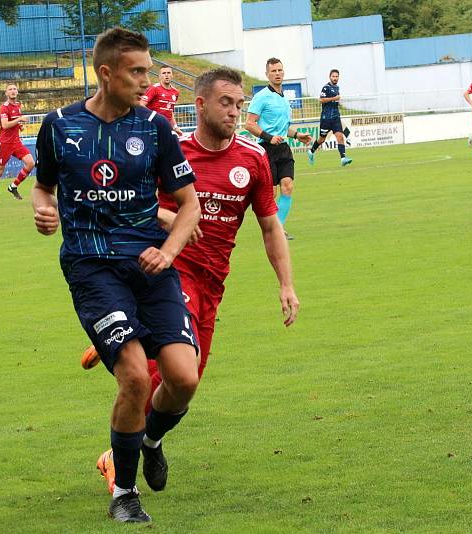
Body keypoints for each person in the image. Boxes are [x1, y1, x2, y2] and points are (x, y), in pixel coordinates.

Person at [84, 67, 300, 493]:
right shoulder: (171, 150)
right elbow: (120, 202)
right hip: (169, 272)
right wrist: (164, 216)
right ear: (200, 104)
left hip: (213, 283)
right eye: (226, 103)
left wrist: (286, 284)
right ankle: (116, 455)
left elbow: (271, 227)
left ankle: (149, 438)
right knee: (155, 371)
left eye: (239, 104)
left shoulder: (252, 159)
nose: (235, 112)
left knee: (186, 384)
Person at [31, 27, 201, 523]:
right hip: (91, 265)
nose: (146, 81)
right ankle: (123, 492)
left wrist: (168, 252)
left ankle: (149, 440)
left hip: (151, 263)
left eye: (148, 70)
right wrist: (43, 212)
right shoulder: (59, 126)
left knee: (184, 378)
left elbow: (189, 206)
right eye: (137, 72)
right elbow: (43, 189)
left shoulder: (154, 128)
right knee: (132, 376)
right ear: (105, 73)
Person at [244, 58, 312, 240]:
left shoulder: (284, 99)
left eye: (280, 70)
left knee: (288, 186)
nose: (277, 73)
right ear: (267, 74)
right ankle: (271, 227)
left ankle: (279, 228)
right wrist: (269, 137)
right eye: (273, 71)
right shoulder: (261, 97)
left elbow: (284, 129)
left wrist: (298, 135)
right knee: (271, 193)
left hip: (283, 148)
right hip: (266, 148)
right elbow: (249, 124)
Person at [0, 83, 34, 207]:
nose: (12, 91)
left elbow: (16, 122)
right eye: (10, 89)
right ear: (6, 93)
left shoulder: (18, 105)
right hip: (5, 143)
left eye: (14, 89)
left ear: (17, 92)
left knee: (30, 163)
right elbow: (5, 125)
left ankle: (13, 186)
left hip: (16, 142)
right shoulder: (4, 107)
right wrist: (20, 120)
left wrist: (20, 125)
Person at [307, 69, 352, 167]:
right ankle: (311, 151)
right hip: (326, 119)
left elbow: (334, 102)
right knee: (322, 139)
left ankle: (343, 158)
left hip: (336, 118)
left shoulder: (337, 88)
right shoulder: (326, 88)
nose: (335, 78)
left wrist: (338, 103)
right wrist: (334, 99)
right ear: (330, 77)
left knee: (340, 137)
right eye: (333, 76)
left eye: (337, 76)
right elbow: (321, 100)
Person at [141, 65, 183, 135]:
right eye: (164, 73)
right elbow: (141, 105)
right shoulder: (154, 88)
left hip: (166, 127)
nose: (166, 75)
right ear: (159, 76)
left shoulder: (175, 92)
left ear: (172, 75)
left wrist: (175, 127)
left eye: (169, 73)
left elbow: (170, 111)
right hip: (152, 127)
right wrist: (154, 117)